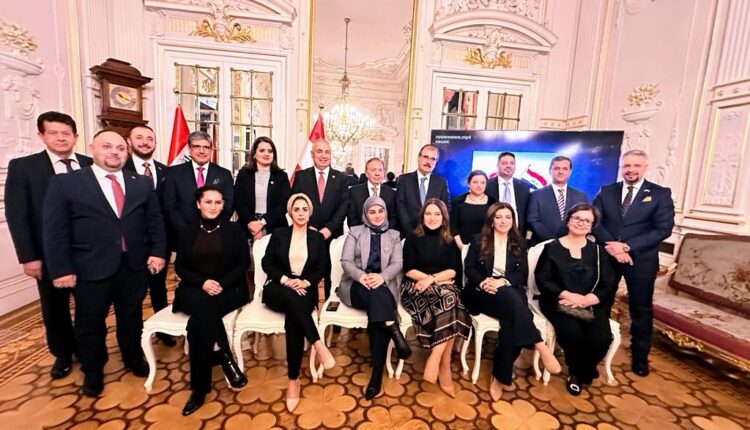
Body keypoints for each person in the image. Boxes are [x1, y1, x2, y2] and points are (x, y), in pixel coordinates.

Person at [43, 130, 167, 397]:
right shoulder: (67, 183)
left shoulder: (140, 183)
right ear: (92, 148)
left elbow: (155, 221)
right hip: (89, 266)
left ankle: (133, 357)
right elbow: (55, 230)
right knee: (90, 322)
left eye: (120, 148)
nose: (114, 152)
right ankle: (93, 370)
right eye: (107, 146)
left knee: (131, 316)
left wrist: (158, 252)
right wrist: (61, 268)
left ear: (127, 151)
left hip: (133, 265)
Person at [5, 111, 92, 379]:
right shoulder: (24, 167)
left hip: (88, 253)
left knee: (90, 306)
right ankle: (63, 353)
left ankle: (86, 349)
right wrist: (28, 257)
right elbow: (17, 215)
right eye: (53, 133)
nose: (61, 138)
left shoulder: (90, 164)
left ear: (75, 137)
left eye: (66, 133)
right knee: (55, 308)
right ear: (41, 136)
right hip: (48, 253)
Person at [463, 202, 561, 401]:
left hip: (508, 291)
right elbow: (470, 268)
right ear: (492, 221)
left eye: (508, 217)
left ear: (513, 221)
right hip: (482, 293)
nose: (503, 221)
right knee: (516, 306)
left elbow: (522, 273)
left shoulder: (520, 243)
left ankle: (499, 376)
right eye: (498, 217)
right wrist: (483, 282)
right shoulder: (478, 240)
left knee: (512, 321)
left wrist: (503, 282)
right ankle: (539, 344)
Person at [593, 149, 674, 376]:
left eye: (636, 165)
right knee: (601, 302)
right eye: (627, 165)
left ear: (645, 167)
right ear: (621, 167)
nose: (631, 170)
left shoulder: (659, 194)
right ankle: (597, 347)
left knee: (641, 308)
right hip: (608, 256)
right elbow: (595, 222)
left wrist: (627, 247)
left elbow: (663, 229)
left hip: (641, 260)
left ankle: (640, 356)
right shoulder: (607, 191)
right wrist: (614, 247)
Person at [173, 185, 249, 415]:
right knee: (203, 307)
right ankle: (224, 356)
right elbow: (180, 267)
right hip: (194, 288)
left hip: (228, 289)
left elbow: (243, 264)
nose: (213, 207)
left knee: (197, 323)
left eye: (218, 202)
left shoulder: (234, 230)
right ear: (198, 204)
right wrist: (203, 283)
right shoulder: (187, 231)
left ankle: (199, 389)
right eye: (208, 202)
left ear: (223, 205)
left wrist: (220, 284)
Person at [261, 193, 337, 412]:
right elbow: (267, 263)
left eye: (305, 209)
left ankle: (293, 380)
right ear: (290, 213)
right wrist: (287, 280)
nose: (301, 213)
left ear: (309, 212)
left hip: (305, 289)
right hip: (278, 288)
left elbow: (322, 268)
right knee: (292, 299)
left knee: (293, 320)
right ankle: (318, 344)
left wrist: (305, 282)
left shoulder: (317, 238)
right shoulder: (279, 234)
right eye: (297, 209)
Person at [535, 203, 618, 396]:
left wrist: (588, 299)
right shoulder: (551, 248)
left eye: (587, 221)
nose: (581, 223)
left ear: (592, 226)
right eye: (577, 218)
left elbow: (609, 283)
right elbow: (543, 279)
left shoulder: (599, 252)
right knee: (574, 335)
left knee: (602, 338)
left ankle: (583, 369)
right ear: (568, 220)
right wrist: (568, 295)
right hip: (558, 301)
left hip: (590, 303)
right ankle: (577, 374)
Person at [339, 196, 411, 400]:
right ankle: (393, 328)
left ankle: (376, 374)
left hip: (383, 286)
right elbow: (346, 261)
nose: (377, 215)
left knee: (377, 303)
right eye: (372, 212)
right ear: (366, 214)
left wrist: (381, 277)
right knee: (379, 300)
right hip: (357, 286)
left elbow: (397, 263)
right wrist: (362, 276)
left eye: (381, 211)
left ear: (386, 212)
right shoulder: (355, 232)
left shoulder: (394, 235)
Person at [400, 198, 470, 396]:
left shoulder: (448, 240)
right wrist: (433, 281)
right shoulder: (413, 237)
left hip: (439, 284)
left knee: (452, 299)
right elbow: (409, 269)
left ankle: (436, 358)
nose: (432, 218)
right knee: (451, 300)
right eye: (428, 214)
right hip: (414, 287)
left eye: (437, 214)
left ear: (443, 217)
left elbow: (453, 270)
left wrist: (432, 280)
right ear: (422, 217)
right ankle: (444, 366)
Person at [123, 125, 175, 347]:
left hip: (160, 241)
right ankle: (133, 338)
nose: (145, 142)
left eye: (149, 139)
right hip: (130, 244)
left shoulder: (166, 171)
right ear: (129, 141)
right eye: (139, 138)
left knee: (159, 288)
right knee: (131, 295)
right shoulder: (120, 169)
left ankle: (162, 329)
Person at [291, 138, 349, 297]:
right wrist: (307, 226)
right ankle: (309, 307)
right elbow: (295, 203)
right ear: (312, 154)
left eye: (327, 152)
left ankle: (330, 307)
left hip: (332, 235)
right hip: (306, 234)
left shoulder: (342, 178)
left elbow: (344, 206)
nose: (323, 155)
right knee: (308, 274)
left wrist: (329, 229)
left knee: (332, 276)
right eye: (319, 151)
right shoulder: (301, 176)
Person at [163, 131, 234, 246]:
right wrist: (185, 232)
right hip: (182, 237)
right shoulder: (173, 173)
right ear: (189, 149)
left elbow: (228, 205)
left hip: (216, 236)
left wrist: (214, 228)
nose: (202, 151)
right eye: (197, 146)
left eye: (206, 147)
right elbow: (170, 207)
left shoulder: (224, 174)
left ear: (211, 150)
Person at [234, 136, 291, 240]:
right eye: (262, 150)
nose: (266, 154)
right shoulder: (243, 175)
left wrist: (262, 223)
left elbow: (283, 205)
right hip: (247, 226)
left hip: (275, 227)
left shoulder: (281, 176)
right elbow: (239, 202)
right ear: (254, 154)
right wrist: (252, 223)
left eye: (270, 151)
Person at [527, 156, 588, 245]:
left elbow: (584, 220)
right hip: (543, 245)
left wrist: (568, 240)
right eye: (556, 168)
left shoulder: (581, 197)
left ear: (570, 172)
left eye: (565, 169)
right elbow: (533, 220)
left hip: (573, 245)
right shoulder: (536, 195)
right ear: (550, 171)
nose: (560, 172)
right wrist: (554, 242)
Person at [395, 144, 451, 233]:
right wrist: (410, 231)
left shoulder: (441, 182)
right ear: (418, 158)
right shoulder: (403, 180)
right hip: (408, 232)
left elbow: (445, 208)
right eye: (425, 157)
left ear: (436, 162)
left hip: (433, 233)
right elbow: (400, 207)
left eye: (433, 159)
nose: (428, 162)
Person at [486, 152, 533, 236]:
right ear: (497, 165)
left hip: (518, 234)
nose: (508, 166)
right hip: (492, 234)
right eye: (504, 163)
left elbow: (528, 212)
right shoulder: (487, 185)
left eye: (512, 163)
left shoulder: (524, 186)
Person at [347, 157, 398, 232]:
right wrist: (365, 234)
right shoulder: (354, 192)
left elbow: (394, 218)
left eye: (380, 170)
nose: (377, 173)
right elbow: (352, 219)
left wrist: (382, 232)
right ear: (366, 173)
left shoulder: (391, 193)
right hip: (360, 236)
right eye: (373, 170)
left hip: (385, 235)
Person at [450, 170, 496, 249]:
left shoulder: (493, 203)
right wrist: (461, 247)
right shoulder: (458, 202)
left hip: (487, 247)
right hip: (461, 246)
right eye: (475, 182)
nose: (479, 185)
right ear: (468, 183)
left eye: (482, 183)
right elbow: (453, 227)